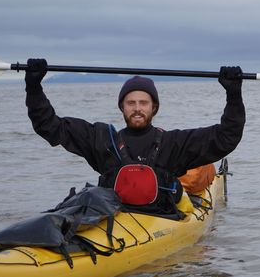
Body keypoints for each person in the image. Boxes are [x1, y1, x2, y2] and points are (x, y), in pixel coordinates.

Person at [24, 59, 245, 219]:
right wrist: (34, 87)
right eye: (131, 103)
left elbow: (226, 137)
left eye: (143, 103)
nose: (137, 109)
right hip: (113, 218)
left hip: (161, 220)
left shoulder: (173, 144)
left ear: (154, 107)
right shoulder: (102, 140)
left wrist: (233, 95)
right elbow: (50, 126)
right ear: (122, 107)